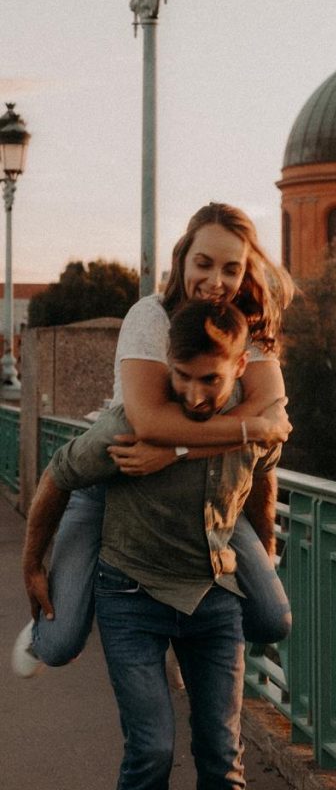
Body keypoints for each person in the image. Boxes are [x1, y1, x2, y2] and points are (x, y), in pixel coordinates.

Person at [13, 203, 294, 677]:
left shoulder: (248, 325)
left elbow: (270, 419)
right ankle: (104, 596)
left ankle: (169, 626)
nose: (216, 280)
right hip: (118, 472)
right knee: (59, 644)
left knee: (270, 618)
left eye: (231, 268)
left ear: (246, 270)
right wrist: (33, 560)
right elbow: (149, 424)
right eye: (204, 263)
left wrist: (177, 451)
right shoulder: (151, 316)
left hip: (200, 489)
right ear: (182, 258)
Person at [22, 299, 278, 789]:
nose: (195, 395)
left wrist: (264, 550)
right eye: (182, 376)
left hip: (214, 597)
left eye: (211, 379)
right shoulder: (129, 425)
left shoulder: (254, 421)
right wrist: (32, 563)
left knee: (223, 757)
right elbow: (58, 474)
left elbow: (265, 477)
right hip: (131, 598)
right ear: (166, 361)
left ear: (241, 366)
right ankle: (47, 634)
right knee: (152, 751)